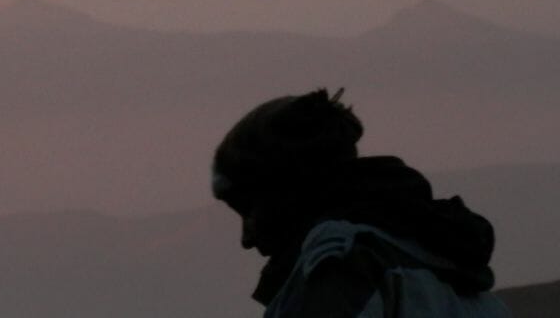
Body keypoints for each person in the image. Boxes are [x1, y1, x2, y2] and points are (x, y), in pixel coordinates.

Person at [211, 88, 512, 317]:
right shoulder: (439, 264)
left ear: (290, 193)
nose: (247, 239)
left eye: (248, 210)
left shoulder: (340, 265)